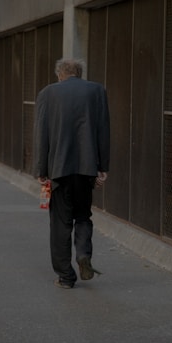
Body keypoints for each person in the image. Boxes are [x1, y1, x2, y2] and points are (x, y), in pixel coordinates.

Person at [34, 58, 110, 289]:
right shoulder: (97, 91)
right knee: (83, 215)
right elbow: (103, 130)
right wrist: (103, 166)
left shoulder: (48, 94)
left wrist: (41, 169)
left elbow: (42, 134)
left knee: (60, 224)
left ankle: (66, 277)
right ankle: (83, 253)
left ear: (60, 75)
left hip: (58, 169)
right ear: (79, 73)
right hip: (86, 168)